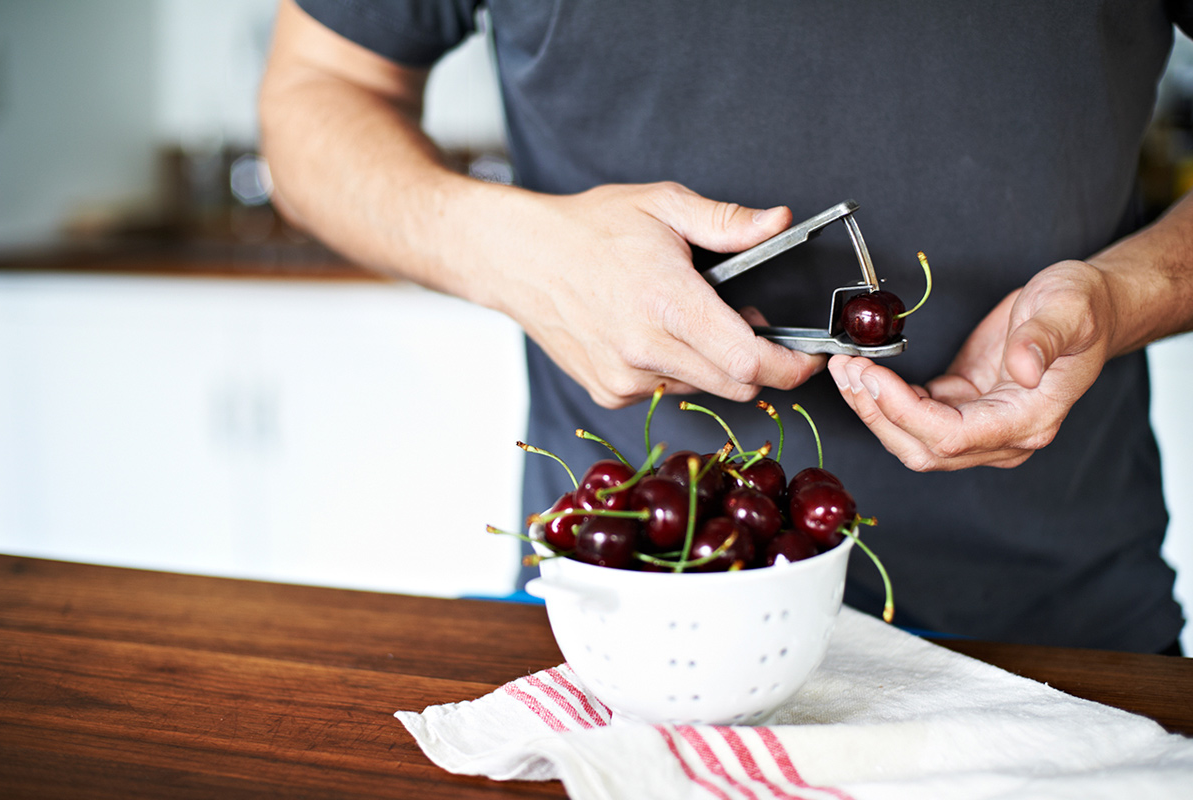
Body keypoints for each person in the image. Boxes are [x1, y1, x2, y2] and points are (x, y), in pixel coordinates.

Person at [259, 0, 1192, 654]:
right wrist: (516, 249)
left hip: (1054, 639)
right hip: (629, 616)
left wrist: (1122, 295)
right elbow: (315, 94)